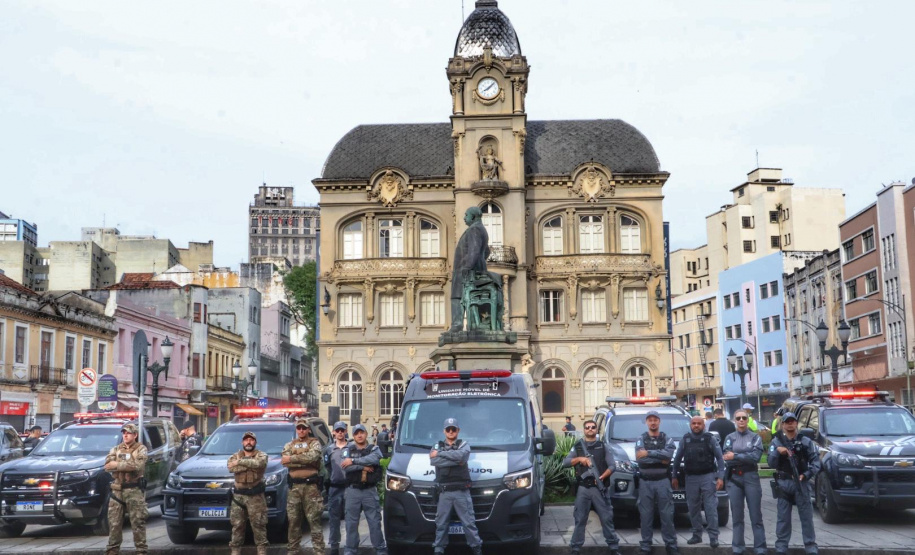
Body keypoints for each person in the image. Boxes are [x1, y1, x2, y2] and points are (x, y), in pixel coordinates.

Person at [563, 419, 620, 555]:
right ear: (584, 430)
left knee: (606, 518)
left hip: (599, 488)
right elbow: (565, 462)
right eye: (587, 427)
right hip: (583, 488)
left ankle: (614, 547)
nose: (590, 429)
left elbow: (612, 466)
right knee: (580, 518)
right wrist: (580, 459)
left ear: (596, 430)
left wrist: (603, 476)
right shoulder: (578, 447)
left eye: (593, 427)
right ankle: (575, 548)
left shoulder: (603, 446)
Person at [769, 412, 820, 555]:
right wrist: (778, 452)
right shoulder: (776, 441)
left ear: (796, 423)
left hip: (801, 482)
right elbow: (771, 463)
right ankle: (781, 548)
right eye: (787, 421)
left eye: (793, 421)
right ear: (783, 424)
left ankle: (810, 546)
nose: (790, 424)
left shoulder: (805, 441)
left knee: (807, 518)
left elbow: (816, 463)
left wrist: (806, 474)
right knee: (783, 519)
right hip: (784, 483)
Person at [430, 418, 483, 555]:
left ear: (458, 430)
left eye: (454, 429)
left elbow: (462, 457)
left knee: (469, 523)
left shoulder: (463, 444)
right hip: (444, 492)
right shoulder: (437, 445)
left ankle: (476, 548)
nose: (451, 431)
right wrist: (454, 460)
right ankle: (439, 549)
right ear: (444, 431)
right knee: (441, 524)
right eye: (448, 429)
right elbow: (434, 461)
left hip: (461, 492)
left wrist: (442, 454)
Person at [672, 416, 725, 548]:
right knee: (693, 508)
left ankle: (713, 537)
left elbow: (720, 458)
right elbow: (677, 459)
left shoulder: (710, 439)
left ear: (704, 425)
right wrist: (674, 476)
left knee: (710, 507)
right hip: (691, 478)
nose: (696, 426)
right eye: (694, 423)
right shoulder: (685, 439)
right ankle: (697, 535)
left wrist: (720, 477)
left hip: (707, 476)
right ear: (690, 425)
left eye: (699, 424)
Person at [449, 206, 502, 332]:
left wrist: (467, 266)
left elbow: (474, 250)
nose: (464, 218)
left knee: (457, 297)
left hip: (467, 271)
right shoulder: (481, 230)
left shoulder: (475, 229)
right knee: (465, 298)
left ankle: (457, 325)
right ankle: (473, 324)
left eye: (466, 215)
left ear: (473, 217)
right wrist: (480, 262)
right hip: (474, 269)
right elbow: (486, 251)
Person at [635, 410, 679, 555]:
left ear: (659, 421)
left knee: (667, 515)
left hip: (662, 482)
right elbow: (640, 459)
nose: (653, 422)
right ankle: (646, 545)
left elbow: (669, 455)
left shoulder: (667, 438)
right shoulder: (640, 439)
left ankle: (671, 545)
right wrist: (659, 457)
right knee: (646, 515)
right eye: (650, 420)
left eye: (655, 420)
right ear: (646, 422)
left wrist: (648, 453)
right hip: (645, 482)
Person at [723, 409, 767, 555]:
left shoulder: (755, 437)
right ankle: (737, 547)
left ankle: (760, 548)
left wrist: (735, 455)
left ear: (748, 420)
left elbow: (755, 457)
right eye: (738, 418)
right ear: (735, 420)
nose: (741, 420)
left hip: (751, 477)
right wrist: (742, 456)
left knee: (756, 515)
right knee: (737, 516)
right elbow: (726, 458)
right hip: (735, 478)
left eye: (744, 418)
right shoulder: (730, 437)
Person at [103, 422, 148, 555]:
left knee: (138, 523)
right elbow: (107, 465)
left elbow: (137, 466)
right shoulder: (116, 449)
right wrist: (123, 465)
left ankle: (141, 551)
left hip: (133, 491)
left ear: (135, 435)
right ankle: (112, 551)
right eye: (124, 433)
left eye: (128, 433)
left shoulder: (141, 449)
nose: (125, 435)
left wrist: (117, 464)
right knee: (114, 524)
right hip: (117, 491)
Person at [341, 424, 387, 555]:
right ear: (353, 435)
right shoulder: (347, 449)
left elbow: (375, 459)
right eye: (356, 433)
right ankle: (350, 550)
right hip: (353, 491)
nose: (359, 435)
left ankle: (380, 549)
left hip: (369, 491)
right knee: (351, 523)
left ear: (366, 434)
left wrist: (354, 461)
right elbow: (345, 467)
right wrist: (364, 467)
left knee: (374, 522)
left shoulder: (374, 448)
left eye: (362, 432)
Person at [283, 418, 326, 555]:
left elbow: (313, 457)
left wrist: (293, 459)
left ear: (308, 429)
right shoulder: (289, 445)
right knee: (293, 522)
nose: (301, 430)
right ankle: (293, 551)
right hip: (294, 488)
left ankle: (319, 551)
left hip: (311, 488)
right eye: (299, 428)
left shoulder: (315, 443)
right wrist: (302, 460)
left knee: (314, 521)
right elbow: (285, 461)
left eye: (304, 428)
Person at [228, 431, 269, 555]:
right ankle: (235, 551)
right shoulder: (234, 456)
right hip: (238, 497)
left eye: (251, 440)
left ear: (255, 442)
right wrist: (249, 464)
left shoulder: (261, 455)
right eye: (246, 440)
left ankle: (261, 551)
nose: (248, 442)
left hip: (255, 496)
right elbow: (231, 467)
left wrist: (240, 462)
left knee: (258, 525)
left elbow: (260, 464)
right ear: (242, 442)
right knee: (237, 526)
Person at [323, 422, 349, 555]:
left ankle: (350, 546)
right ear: (333, 432)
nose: (340, 433)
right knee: (334, 519)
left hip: (349, 488)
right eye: (337, 430)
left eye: (342, 430)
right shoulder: (329, 449)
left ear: (345, 431)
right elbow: (327, 467)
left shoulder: (351, 447)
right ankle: (334, 547)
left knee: (351, 518)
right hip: (335, 489)